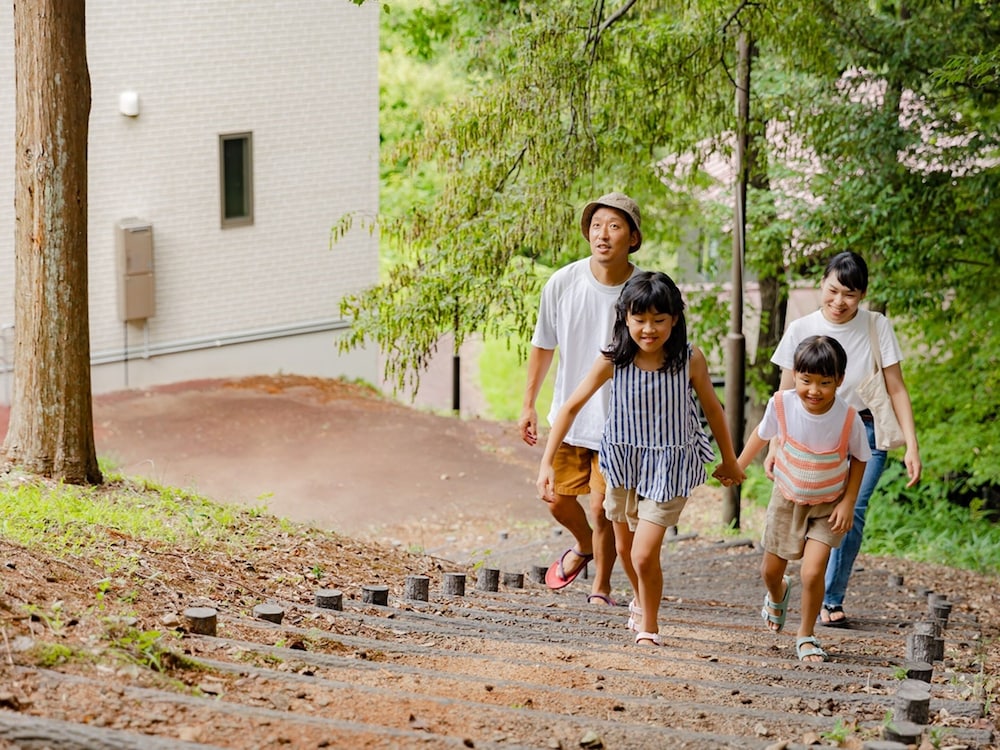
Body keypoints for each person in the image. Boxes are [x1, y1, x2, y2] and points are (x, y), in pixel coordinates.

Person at [536, 272, 744, 645]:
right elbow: (570, 407)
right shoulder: (614, 358)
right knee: (624, 550)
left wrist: (730, 460)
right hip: (623, 465)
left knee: (644, 554)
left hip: (668, 466)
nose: (649, 329)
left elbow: (714, 411)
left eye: (659, 320)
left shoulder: (688, 359)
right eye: (640, 320)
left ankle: (649, 627)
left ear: (675, 319)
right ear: (625, 318)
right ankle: (639, 601)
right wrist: (546, 462)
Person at [768, 251, 921, 628]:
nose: (839, 302)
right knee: (800, 506)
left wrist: (912, 445)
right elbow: (785, 392)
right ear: (822, 285)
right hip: (808, 435)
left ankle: (830, 598)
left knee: (851, 511)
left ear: (863, 295)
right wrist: (774, 444)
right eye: (833, 291)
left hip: (864, 431)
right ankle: (791, 584)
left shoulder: (876, 326)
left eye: (850, 294)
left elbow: (896, 388)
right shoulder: (801, 327)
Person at [519, 192, 643, 606]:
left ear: (633, 237)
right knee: (556, 499)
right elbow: (543, 345)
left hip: (621, 423)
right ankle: (585, 547)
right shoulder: (563, 282)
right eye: (595, 225)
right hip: (570, 416)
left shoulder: (643, 291)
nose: (602, 234)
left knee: (604, 508)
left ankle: (601, 587)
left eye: (613, 226)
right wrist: (528, 404)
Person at [738, 335, 872, 662]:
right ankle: (777, 593)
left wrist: (848, 502)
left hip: (829, 504)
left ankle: (807, 635)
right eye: (806, 380)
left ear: (840, 381)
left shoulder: (848, 417)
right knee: (770, 571)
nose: (814, 390)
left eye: (824, 382)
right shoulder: (781, 403)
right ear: (794, 374)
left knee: (812, 572)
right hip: (787, 497)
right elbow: (761, 434)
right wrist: (738, 465)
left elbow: (860, 458)